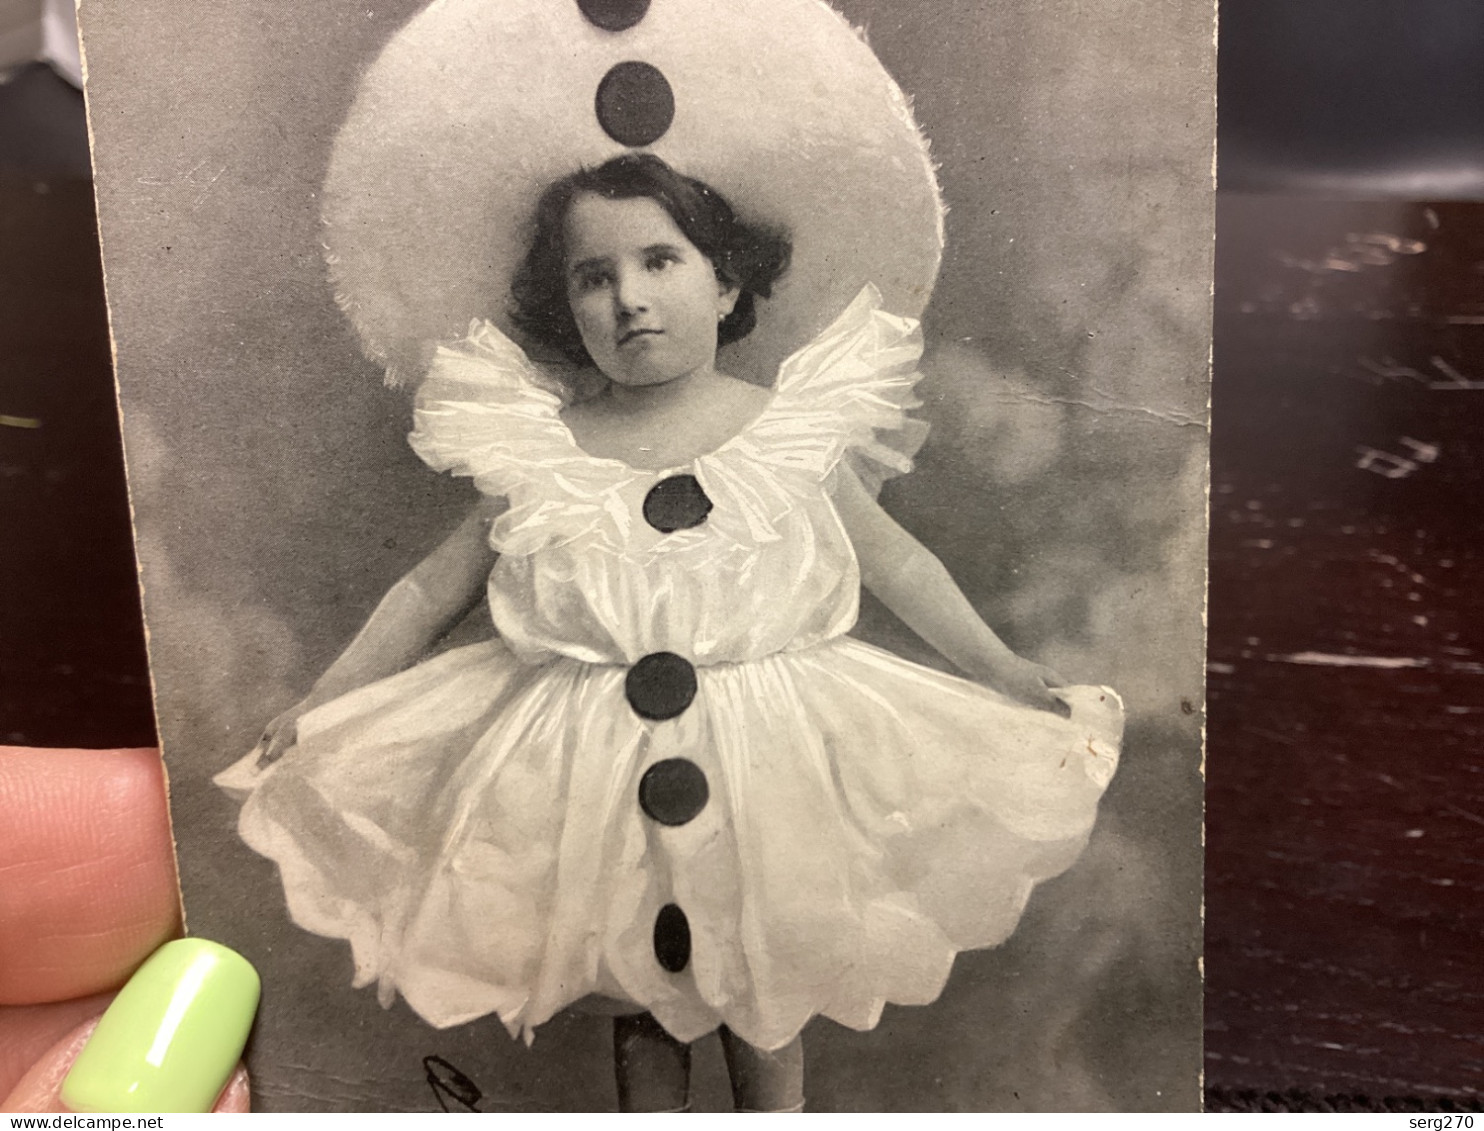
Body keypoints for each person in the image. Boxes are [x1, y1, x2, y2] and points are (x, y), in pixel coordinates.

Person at [216, 154, 1123, 1113]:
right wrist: (327, 696)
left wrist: (999, 665)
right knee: (638, 991)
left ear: (725, 282)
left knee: (761, 989)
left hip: (762, 754)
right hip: (589, 765)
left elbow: (898, 564)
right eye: (593, 277)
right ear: (566, 306)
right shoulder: (541, 449)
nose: (629, 299)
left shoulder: (784, 432)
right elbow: (430, 587)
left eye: (660, 262)